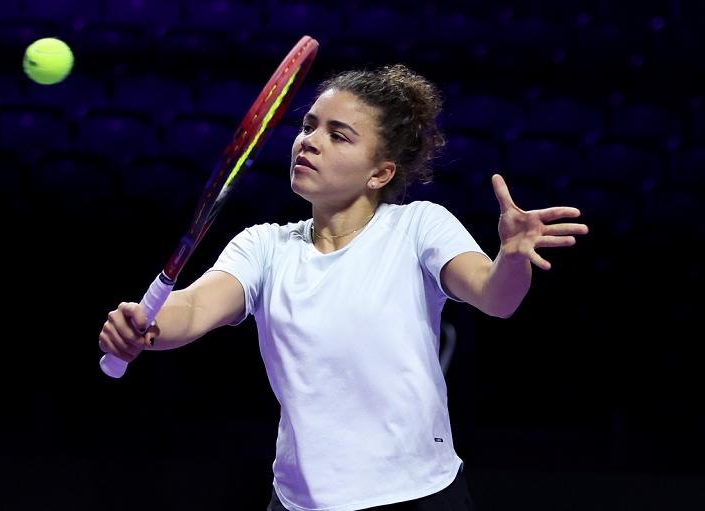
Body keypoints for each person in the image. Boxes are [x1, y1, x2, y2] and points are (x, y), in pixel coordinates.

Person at [98, 64, 588, 511]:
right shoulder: (266, 246)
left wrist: (512, 259)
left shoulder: (418, 227)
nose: (309, 141)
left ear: (381, 173)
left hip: (417, 494)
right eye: (308, 126)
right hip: (300, 501)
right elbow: (194, 307)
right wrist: (146, 325)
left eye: (339, 136)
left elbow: (496, 297)